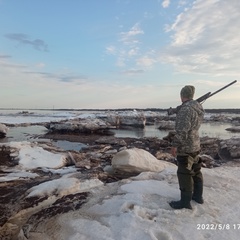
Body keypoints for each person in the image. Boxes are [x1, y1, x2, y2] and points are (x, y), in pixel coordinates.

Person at [169, 85, 204, 210]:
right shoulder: (197, 107)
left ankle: (185, 202)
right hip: (195, 144)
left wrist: (174, 145)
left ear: (182, 96)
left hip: (186, 147)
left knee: (184, 173)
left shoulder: (186, 110)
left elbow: (182, 131)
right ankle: (198, 197)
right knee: (196, 171)